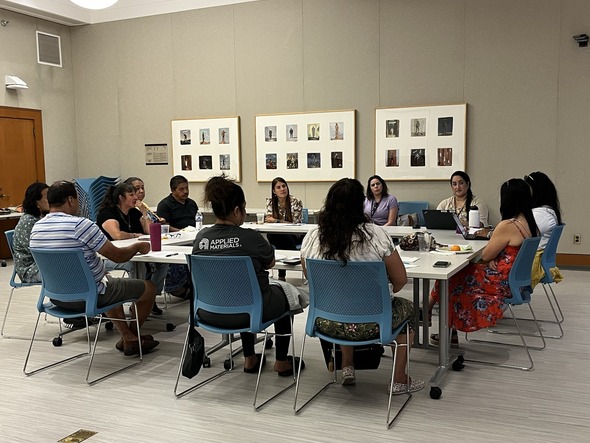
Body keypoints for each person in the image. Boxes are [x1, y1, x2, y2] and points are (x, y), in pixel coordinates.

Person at [300, 178, 423, 394]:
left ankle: (347, 366)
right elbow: (400, 281)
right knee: (409, 310)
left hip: (327, 322)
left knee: (344, 300)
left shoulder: (313, 236)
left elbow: (309, 276)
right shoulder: (376, 235)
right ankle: (400, 379)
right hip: (373, 322)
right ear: (360, 204)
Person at [29, 181, 159, 355]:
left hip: (56, 297)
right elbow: (117, 256)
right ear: (70, 200)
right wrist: (137, 246)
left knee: (107, 281)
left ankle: (127, 336)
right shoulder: (81, 225)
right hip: (89, 295)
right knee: (149, 288)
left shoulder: (37, 228)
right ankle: (133, 337)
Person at [192, 175, 302, 376]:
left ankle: (250, 359)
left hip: (208, 313)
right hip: (247, 313)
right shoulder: (250, 237)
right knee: (285, 297)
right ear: (236, 211)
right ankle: (281, 361)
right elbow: (270, 262)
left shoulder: (201, 238)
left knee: (239, 293)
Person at [428, 178, 539, 346]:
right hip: (513, 279)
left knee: (450, 277)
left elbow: (486, 255)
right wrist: (494, 257)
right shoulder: (531, 224)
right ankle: (434, 317)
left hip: (498, 281)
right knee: (453, 276)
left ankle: (433, 317)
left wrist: (491, 258)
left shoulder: (508, 225)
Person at [98, 180, 168, 315]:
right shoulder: (108, 213)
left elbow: (149, 232)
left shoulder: (134, 213)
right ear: (121, 198)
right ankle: (138, 301)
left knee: (161, 262)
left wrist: (144, 213)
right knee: (136, 265)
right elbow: (117, 235)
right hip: (113, 256)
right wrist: (134, 234)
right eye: (131, 195)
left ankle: (150, 297)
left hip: (135, 252)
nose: (136, 197)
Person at [157, 175, 198, 298]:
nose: (185, 191)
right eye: (181, 189)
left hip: (192, 235)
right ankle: (178, 288)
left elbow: (197, 220)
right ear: (173, 190)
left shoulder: (191, 203)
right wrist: (182, 231)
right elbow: (165, 226)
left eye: (187, 188)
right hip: (175, 238)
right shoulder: (165, 205)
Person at [524, 171, 564, 287]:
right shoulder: (547, 211)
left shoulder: (540, 215)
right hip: (534, 259)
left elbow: (520, 236)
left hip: (530, 263)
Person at [265, 177, 304, 281]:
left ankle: (282, 273)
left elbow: (295, 224)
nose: (282, 189)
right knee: (272, 234)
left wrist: (277, 221)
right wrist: (276, 221)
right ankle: (292, 258)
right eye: (278, 187)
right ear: (274, 191)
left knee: (281, 236)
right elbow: (269, 219)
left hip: (295, 234)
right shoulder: (270, 202)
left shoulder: (295, 201)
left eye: (284, 186)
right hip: (279, 235)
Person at [13, 182, 49, 283]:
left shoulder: (41, 218)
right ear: (37, 203)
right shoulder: (29, 221)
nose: (51, 201)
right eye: (47, 197)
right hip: (29, 270)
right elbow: (38, 252)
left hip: (41, 265)